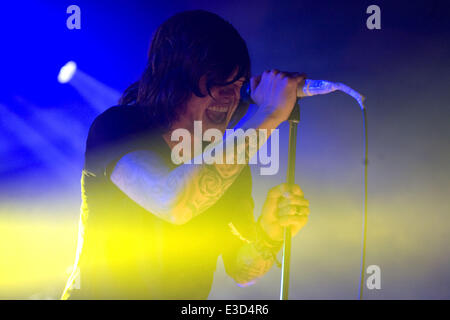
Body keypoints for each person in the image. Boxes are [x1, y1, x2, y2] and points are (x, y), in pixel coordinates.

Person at [62, 10, 310, 300]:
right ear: (177, 78)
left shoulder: (226, 159)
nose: (229, 97)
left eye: (237, 84)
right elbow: (172, 202)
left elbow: (242, 270)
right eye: (216, 82)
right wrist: (269, 114)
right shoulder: (118, 128)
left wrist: (269, 233)